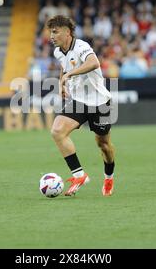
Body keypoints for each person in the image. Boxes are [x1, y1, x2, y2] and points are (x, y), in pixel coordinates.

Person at [47, 15, 116, 197]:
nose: (51, 36)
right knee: (57, 131)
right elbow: (64, 65)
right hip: (78, 101)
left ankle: (108, 177)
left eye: (55, 32)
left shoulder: (81, 46)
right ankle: (79, 175)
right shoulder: (58, 52)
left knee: (104, 145)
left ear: (67, 32)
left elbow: (94, 63)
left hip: (99, 102)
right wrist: (62, 81)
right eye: (50, 32)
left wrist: (70, 75)